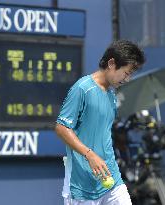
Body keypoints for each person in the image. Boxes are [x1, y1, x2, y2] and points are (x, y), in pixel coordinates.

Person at [55, 40, 145, 205]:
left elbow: (101, 133)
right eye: (126, 73)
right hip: (81, 185)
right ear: (112, 63)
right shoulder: (82, 88)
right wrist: (90, 155)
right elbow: (61, 128)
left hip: (111, 179)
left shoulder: (111, 95)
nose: (128, 79)